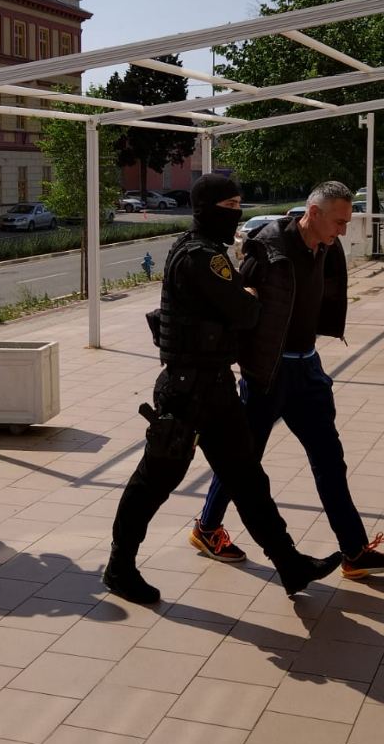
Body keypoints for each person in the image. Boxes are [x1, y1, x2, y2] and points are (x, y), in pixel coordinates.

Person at [104, 172, 342, 607]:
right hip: (185, 391)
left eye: (238, 205)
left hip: (215, 386)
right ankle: (120, 567)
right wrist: (245, 295)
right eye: (229, 207)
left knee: (248, 479)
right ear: (205, 209)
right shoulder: (200, 256)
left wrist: (242, 294)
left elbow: (239, 307)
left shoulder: (206, 251)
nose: (236, 213)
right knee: (155, 481)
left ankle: (289, 563)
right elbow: (248, 312)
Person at [190, 180, 384, 580]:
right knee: (243, 461)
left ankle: (354, 552)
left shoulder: (327, 246)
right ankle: (207, 528)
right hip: (268, 374)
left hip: (308, 370)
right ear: (314, 212)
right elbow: (237, 306)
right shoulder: (268, 248)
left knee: (330, 461)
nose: (344, 230)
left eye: (347, 222)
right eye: (339, 221)